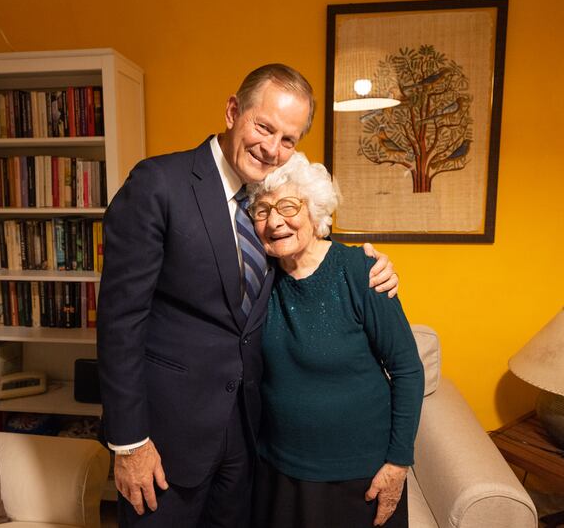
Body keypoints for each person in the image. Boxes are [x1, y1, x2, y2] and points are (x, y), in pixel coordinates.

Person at [97, 63, 399, 528]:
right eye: (264, 127)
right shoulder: (160, 184)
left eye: (289, 139)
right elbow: (120, 322)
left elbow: (310, 256)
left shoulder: (269, 201)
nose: (272, 148)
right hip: (165, 442)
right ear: (233, 110)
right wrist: (129, 442)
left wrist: (371, 267)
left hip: (247, 440)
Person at [248, 152, 424, 528]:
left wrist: (398, 464)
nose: (274, 221)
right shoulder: (256, 280)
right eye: (261, 211)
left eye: (287, 206)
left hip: (360, 476)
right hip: (279, 471)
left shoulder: (361, 272)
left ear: (315, 212)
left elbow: (408, 370)